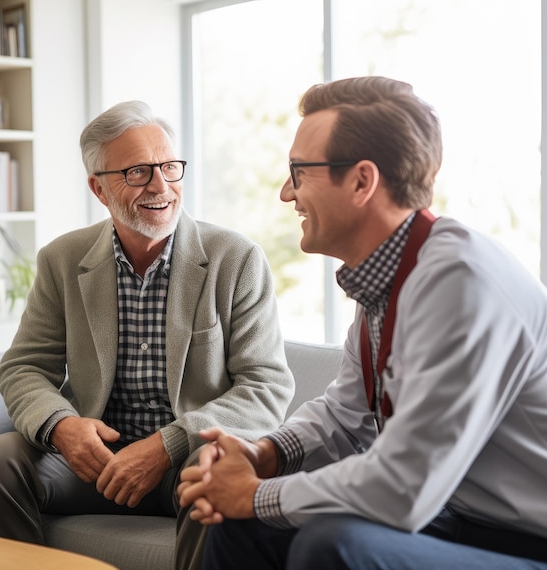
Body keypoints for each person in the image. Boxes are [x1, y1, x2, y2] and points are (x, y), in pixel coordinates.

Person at [177, 76, 547, 570]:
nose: (287, 193)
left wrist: (256, 493)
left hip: (524, 537)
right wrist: (265, 453)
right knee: (243, 522)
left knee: (329, 546)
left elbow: (404, 487)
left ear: (361, 181)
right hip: (459, 516)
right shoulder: (389, 273)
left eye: (299, 172)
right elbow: (345, 414)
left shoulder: (462, 283)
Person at [0, 100, 295, 570]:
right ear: (98, 188)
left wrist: (167, 445)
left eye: (169, 167)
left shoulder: (235, 258)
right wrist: (62, 427)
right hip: (94, 460)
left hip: (187, 456)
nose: (161, 186)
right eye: (138, 172)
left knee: (214, 471)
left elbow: (267, 386)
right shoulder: (62, 259)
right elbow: (24, 366)